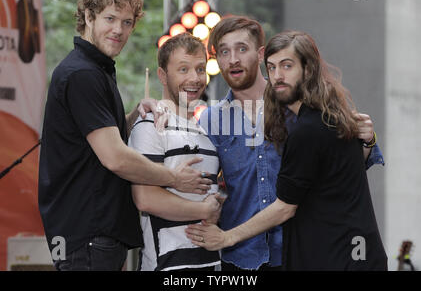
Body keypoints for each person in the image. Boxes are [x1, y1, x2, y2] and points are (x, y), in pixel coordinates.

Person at [139, 15, 384, 271]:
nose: (233, 59)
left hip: (298, 251)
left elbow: (344, 169)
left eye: (242, 49)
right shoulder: (210, 119)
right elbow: (203, 174)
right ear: (217, 59)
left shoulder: (298, 106)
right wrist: (153, 106)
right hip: (239, 258)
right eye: (224, 51)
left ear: (260, 54)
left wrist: (368, 141)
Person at [38, 0, 212, 271]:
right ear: (89, 17)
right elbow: (115, 158)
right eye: (110, 18)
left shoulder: (95, 69)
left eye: (127, 22)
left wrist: (131, 116)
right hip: (90, 234)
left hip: (94, 234)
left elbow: (95, 143)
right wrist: (173, 178)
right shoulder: (83, 74)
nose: (119, 30)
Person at [129, 33, 224, 271]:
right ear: (162, 75)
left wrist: (219, 204)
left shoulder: (205, 133)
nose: (195, 78)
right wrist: (205, 210)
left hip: (210, 262)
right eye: (183, 69)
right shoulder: (149, 126)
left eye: (200, 69)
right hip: (166, 265)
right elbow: (145, 198)